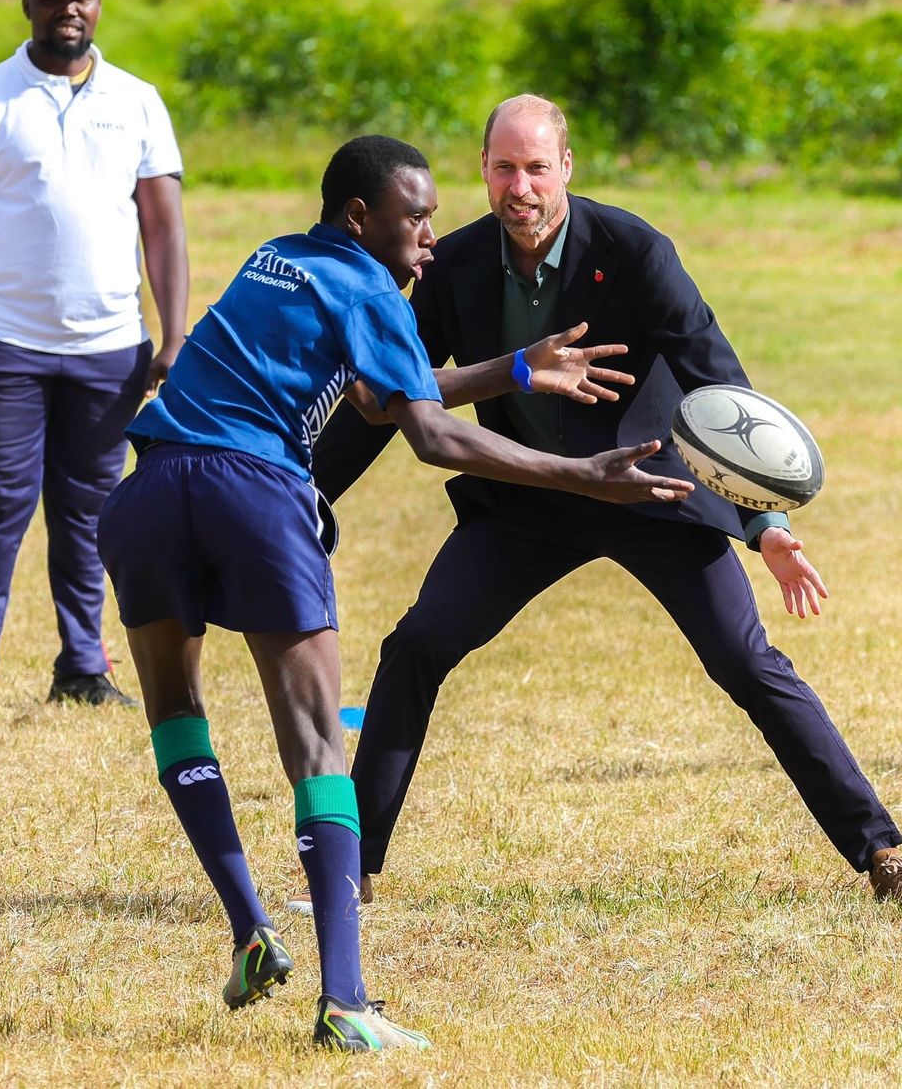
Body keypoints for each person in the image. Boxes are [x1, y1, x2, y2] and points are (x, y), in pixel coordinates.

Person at [95, 134, 697, 1053]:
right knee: (317, 747)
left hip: (146, 491)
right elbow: (428, 436)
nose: (431, 232)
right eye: (414, 216)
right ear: (359, 218)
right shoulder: (373, 287)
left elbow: (381, 399)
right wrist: (582, 474)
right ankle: (344, 1002)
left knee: (177, 718)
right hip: (251, 493)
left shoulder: (277, 260)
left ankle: (251, 930)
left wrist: (517, 369)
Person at [301, 94, 902, 915]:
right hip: (531, 499)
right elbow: (391, 398)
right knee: (420, 643)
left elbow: (715, 378)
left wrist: (767, 523)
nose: (521, 187)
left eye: (537, 167)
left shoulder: (637, 252)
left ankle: (884, 856)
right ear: (483, 170)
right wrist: (303, 494)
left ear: (566, 168)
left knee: (747, 663)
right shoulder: (458, 265)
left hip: (650, 489)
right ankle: (350, 873)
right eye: (504, 167)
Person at [0, 0, 188, 711]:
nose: (69, 8)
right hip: (2, 344)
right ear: (28, 4)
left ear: (99, 4)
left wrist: (172, 335)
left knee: (94, 513)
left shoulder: (137, 102)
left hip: (109, 349)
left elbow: (164, 232)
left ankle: (83, 666)